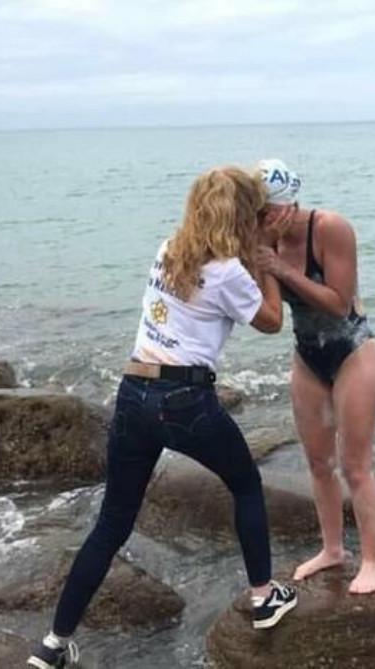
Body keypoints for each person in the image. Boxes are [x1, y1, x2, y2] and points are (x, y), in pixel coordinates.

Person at [27, 166, 298, 669]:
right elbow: (271, 322)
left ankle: (53, 645)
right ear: (245, 215)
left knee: (112, 523)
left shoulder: (169, 249)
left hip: (134, 391)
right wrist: (269, 257)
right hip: (185, 400)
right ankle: (264, 596)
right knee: (245, 485)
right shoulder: (229, 273)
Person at [254, 159, 375, 595]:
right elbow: (271, 314)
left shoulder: (331, 228)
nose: (261, 218)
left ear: (289, 203)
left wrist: (281, 268)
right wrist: (263, 257)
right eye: (255, 212)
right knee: (317, 462)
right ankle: (332, 549)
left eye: (267, 210)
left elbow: (338, 302)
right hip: (308, 354)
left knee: (355, 465)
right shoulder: (262, 240)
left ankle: (373, 561)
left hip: (353, 349)